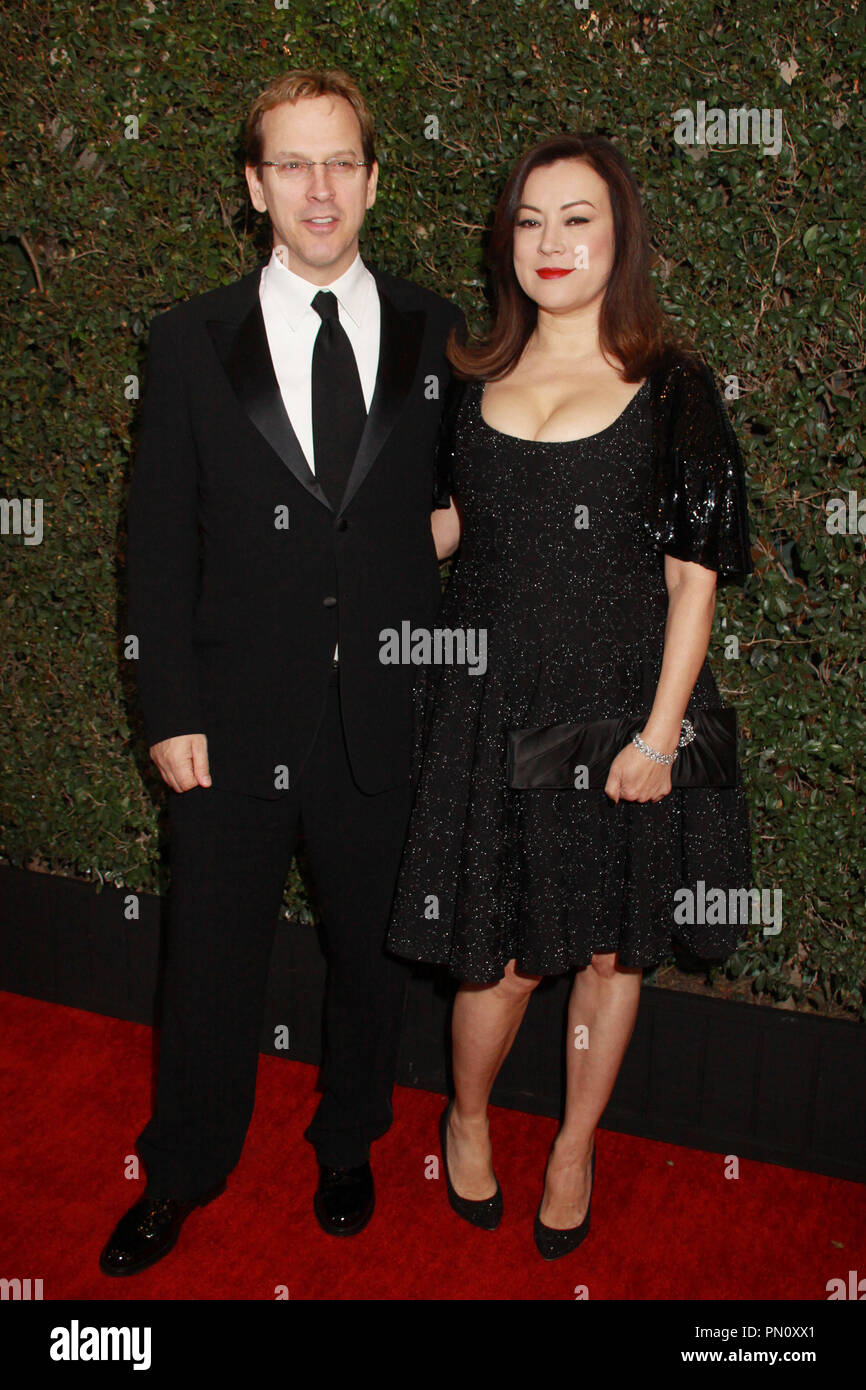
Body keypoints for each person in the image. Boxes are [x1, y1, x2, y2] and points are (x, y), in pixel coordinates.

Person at [100, 68, 463, 1276]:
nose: (319, 188)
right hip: (230, 721)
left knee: (371, 954)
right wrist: (168, 708)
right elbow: (154, 541)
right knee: (207, 961)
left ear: (371, 179)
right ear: (255, 184)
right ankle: (185, 1169)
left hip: (381, 716)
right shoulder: (189, 336)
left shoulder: (433, 330)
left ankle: (349, 1139)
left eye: (340, 162)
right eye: (292, 164)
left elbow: (461, 504)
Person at [386, 133, 754, 1259]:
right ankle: (466, 1115)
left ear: (617, 234)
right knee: (493, 959)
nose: (550, 242)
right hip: (486, 711)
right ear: (506, 239)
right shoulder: (468, 373)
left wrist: (656, 737)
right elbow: (444, 529)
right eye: (530, 219)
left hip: (614, 713)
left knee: (607, 952)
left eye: (576, 217)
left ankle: (574, 1142)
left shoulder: (673, 386)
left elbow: (692, 583)